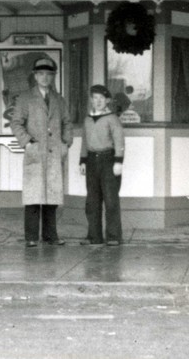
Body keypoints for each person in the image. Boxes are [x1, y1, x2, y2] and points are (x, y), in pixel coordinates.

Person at [9, 57, 73, 247]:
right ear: (35, 76)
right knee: (33, 196)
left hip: (54, 154)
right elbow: (16, 123)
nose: (45, 78)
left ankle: (50, 235)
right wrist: (27, 143)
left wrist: (66, 143)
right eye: (41, 74)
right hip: (35, 152)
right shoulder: (26, 98)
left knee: (52, 196)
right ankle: (31, 237)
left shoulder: (58, 99)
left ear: (53, 77)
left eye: (49, 74)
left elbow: (67, 123)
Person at [79, 84, 125, 246]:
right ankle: (94, 236)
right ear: (91, 100)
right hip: (91, 161)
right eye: (94, 98)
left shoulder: (112, 119)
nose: (97, 101)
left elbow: (119, 140)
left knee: (111, 200)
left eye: (101, 98)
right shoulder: (87, 119)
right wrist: (83, 160)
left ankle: (113, 237)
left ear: (107, 100)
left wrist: (118, 161)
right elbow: (84, 141)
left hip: (108, 160)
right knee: (92, 201)